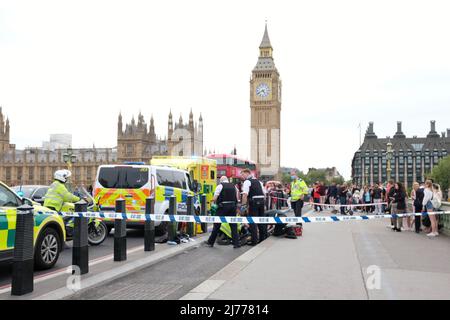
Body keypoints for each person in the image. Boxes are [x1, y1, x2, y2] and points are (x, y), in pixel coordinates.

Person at [206, 176, 241, 248]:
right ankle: (236, 243)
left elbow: (215, 197)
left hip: (223, 207)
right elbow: (237, 197)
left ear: (221, 181)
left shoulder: (220, 186)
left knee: (217, 225)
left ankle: (210, 242)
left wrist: (212, 201)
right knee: (233, 226)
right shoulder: (234, 186)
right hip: (232, 207)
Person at [241, 169, 266, 246]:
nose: (242, 176)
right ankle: (263, 239)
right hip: (262, 201)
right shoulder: (259, 182)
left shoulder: (247, 182)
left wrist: (243, 206)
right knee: (261, 220)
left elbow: (245, 195)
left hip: (254, 202)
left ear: (246, 173)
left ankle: (254, 241)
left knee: (252, 222)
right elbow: (264, 193)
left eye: (242, 174)